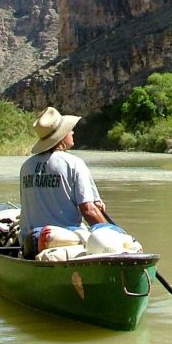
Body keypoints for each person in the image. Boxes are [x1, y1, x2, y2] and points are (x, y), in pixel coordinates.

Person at [19, 106, 107, 258]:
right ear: (61, 137)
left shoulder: (26, 166)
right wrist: (111, 233)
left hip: (29, 243)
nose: (72, 132)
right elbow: (89, 210)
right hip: (63, 241)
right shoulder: (74, 163)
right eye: (69, 130)